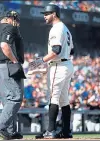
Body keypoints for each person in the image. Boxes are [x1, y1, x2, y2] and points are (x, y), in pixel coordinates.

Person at [29, 4, 74, 139]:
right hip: (67, 65)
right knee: (64, 100)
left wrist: (41, 60)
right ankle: (66, 131)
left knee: (53, 98)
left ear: (54, 14)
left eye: (47, 13)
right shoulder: (66, 29)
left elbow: (56, 50)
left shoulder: (56, 29)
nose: (44, 16)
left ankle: (50, 130)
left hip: (58, 66)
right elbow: (72, 50)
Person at [0, 10, 26, 140]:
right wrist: (15, 61)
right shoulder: (9, 27)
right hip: (9, 65)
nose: (15, 20)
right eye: (13, 17)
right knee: (15, 97)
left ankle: (10, 131)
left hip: (0, 67)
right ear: (6, 18)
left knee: (7, 100)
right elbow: (4, 45)